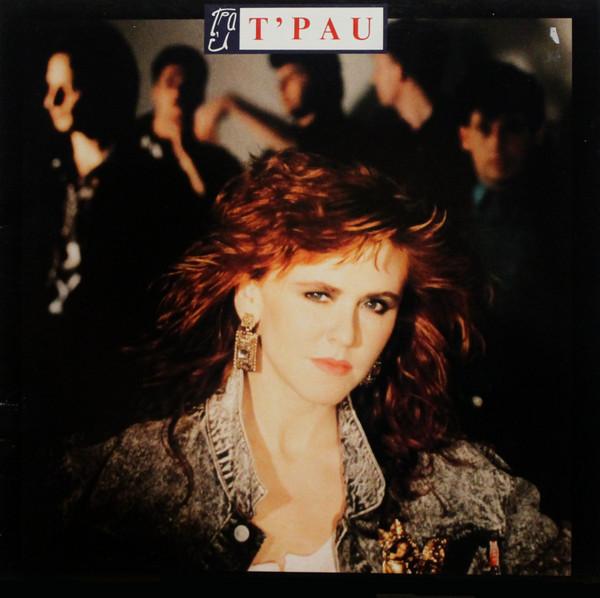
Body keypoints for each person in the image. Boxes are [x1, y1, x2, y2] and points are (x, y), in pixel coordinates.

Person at [58, 151, 570, 575]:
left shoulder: (462, 488)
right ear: (250, 297)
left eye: (375, 304)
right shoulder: (123, 481)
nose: (346, 334)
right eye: (319, 294)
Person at [452, 61, 572, 521]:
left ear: (535, 136)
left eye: (513, 129)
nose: (497, 144)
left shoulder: (557, 219)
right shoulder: (444, 209)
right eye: (485, 128)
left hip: (534, 402)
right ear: (465, 136)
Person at [197, 54, 371, 164]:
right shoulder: (273, 152)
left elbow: (305, 154)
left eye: (292, 76)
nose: (281, 87)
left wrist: (233, 104)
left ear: (323, 77)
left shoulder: (352, 135)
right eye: (280, 79)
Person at [371, 20, 470, 207]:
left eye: (379, 67)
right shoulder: (383, 135)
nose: (374, 78)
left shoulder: (458, 133)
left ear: (399, 70)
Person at [135, 44, 241, 204]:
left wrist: (184, 152)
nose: (177, 92)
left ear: (201, 95)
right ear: (155, 90)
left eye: (188, 85)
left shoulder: (219, 162)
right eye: (170, 82)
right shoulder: (124, 140)